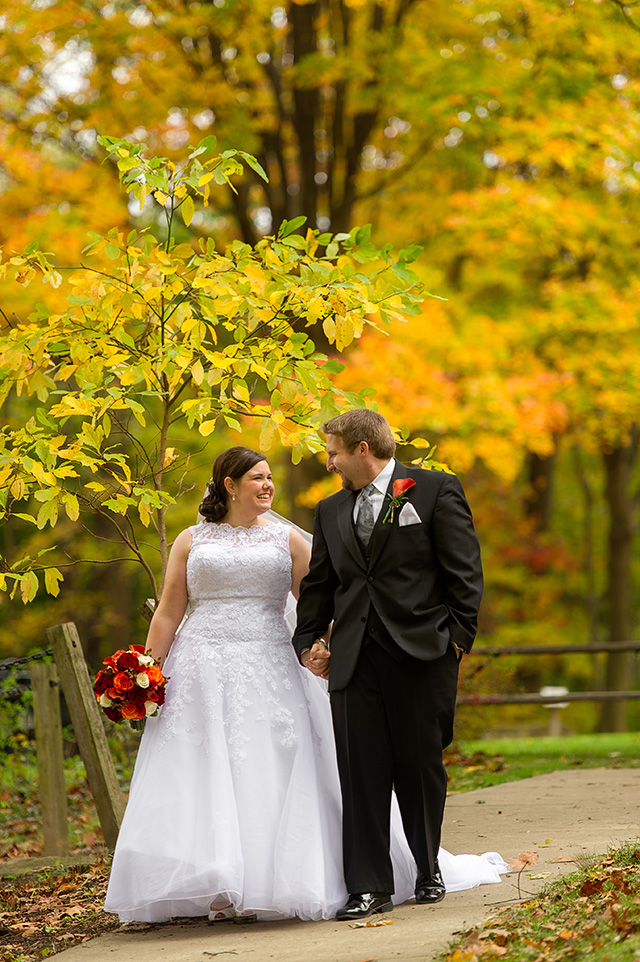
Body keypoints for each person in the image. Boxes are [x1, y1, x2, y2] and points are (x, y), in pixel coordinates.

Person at [105, 444, 506, 924]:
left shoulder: (286, 540)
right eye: (257, 478)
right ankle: (214, 880)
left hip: (271, 663)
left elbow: (325, 602)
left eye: (270, 477)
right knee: (200, 769)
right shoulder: (190, 541)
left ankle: (281, 879)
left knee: (270, 767)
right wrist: (146, 671)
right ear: (228, 485)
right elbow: (170, 610)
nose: (268, 485)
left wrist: (324, 647)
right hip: (200, 668)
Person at [292, 409, 485, 921]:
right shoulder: (329, 510)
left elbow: (464, 571)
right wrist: (309, 639)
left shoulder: (435, 490)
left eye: (332, 452)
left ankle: (427, 870)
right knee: (360, 772)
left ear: (361, 449)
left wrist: (457, 641)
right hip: (353, 660)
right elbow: (320, 584)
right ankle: (369, 886)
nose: (328, 462)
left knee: (421, 766)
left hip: (424, 653)